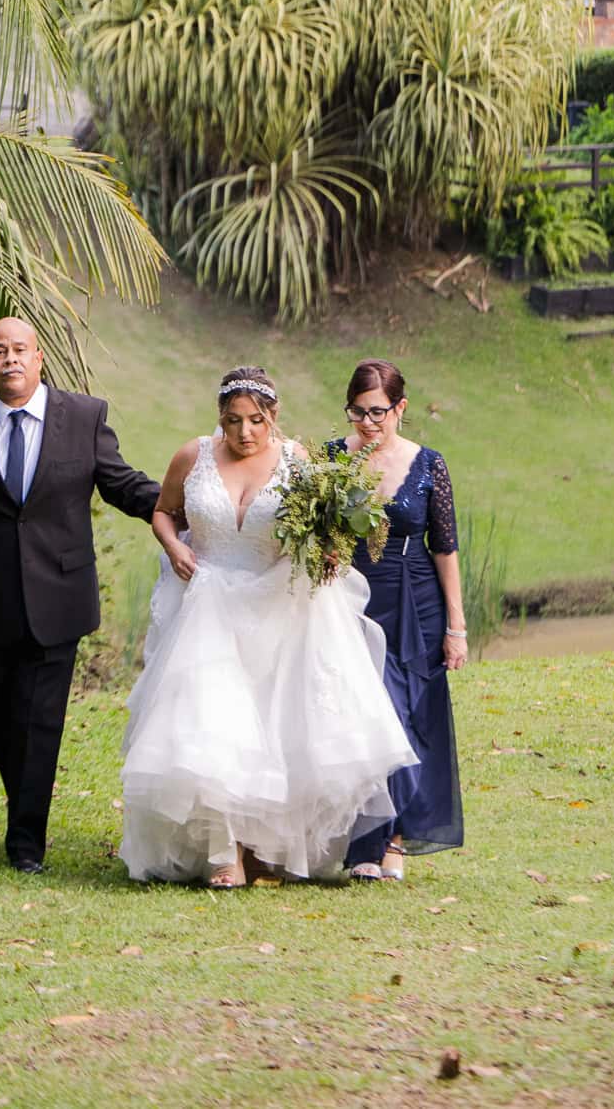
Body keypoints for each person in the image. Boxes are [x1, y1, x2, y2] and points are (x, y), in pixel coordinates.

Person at [119, 367, 416, 888]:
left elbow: (325, 526)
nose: (244, 433)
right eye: (233, 421)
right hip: (208, 602)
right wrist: (175, 546)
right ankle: (221, 853)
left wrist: (326, 550)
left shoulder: (298, 462)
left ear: (273, 418)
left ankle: (263, 849)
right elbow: (163, 512)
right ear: (220, 419)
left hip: (278, 604)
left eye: (256, 421)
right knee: (211, 726)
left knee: (273, 726)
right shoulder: (193, 455)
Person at [0, 316, 159, 873]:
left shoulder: (84, 417)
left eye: (20, 349)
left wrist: (182, 507)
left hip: (60, 595)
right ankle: (23, 789)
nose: (11, 359)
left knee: (41, 721)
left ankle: (26, 842)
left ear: (39, 358)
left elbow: (121, 483)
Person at [332, 360, 465, 883]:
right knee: (364, 713)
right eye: (358, 412)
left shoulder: (428, 464)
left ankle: (393, 837)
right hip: (352, 597)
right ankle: (366, 835)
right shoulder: (330, 460)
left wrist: (456, 626)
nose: (368, 423)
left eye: (378, 412)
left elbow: (446, 547)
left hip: (417, 600)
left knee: (407, 714)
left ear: (401, 408)